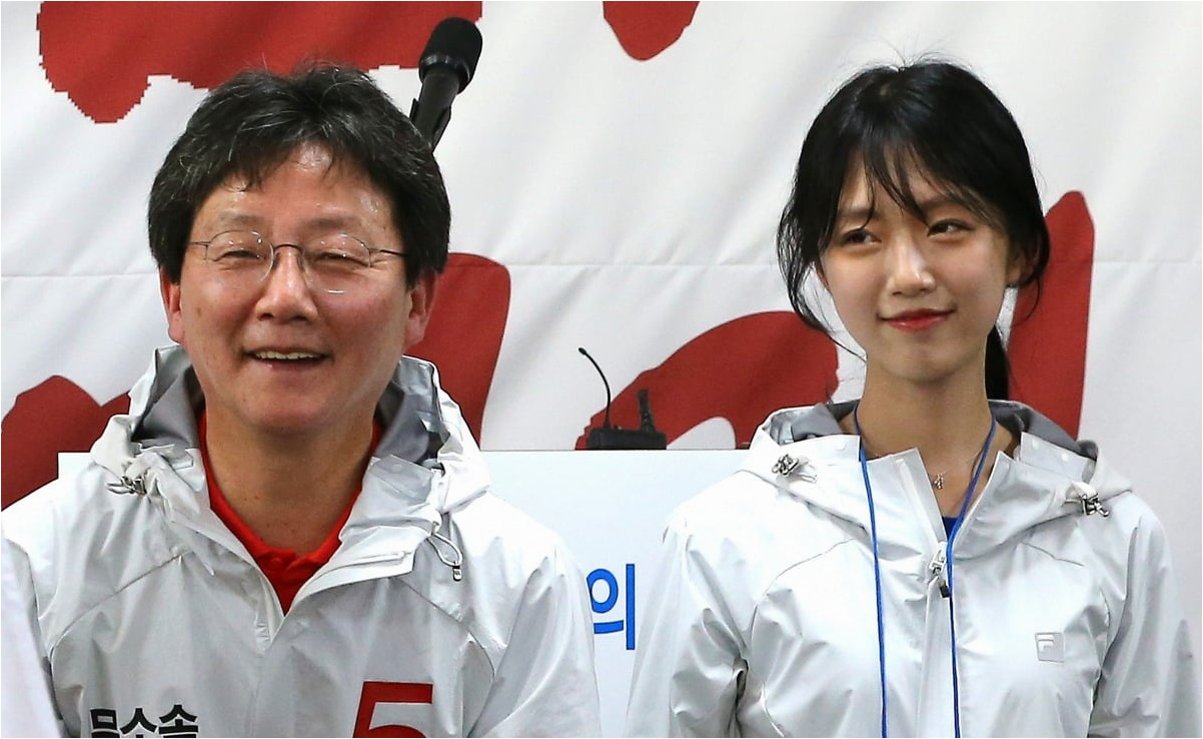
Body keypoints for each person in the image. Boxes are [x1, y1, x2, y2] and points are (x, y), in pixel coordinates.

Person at [3, 63, 601, 737]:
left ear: (417, 299)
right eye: (239, 251)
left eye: (337, 255)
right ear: (173, 294)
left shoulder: (514, 584)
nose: (286, 297)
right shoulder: (35, 570)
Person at [626, 59, 1200, 737]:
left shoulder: (1112, 535)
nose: (908, 273)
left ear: (1017, 248)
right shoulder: (728, 537)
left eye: (946, 225)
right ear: (822, 267)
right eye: (861, 237)